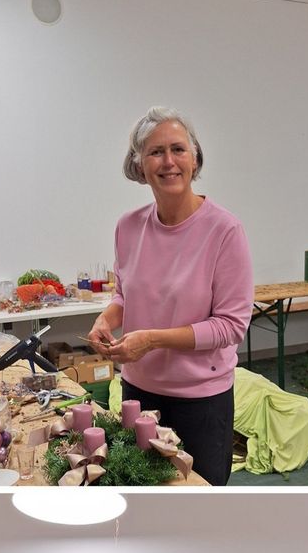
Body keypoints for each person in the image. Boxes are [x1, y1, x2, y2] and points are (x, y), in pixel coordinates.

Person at [90, 105, 253, 485]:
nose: (168, 161)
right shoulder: (128, 227)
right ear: (139, 165)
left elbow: (230, 327)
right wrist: (107, 318)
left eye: (178, 149)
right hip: (138, 392)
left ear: (195, 159)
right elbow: (125, 295)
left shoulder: (225, 231)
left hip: (201, 400)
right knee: (143, 495)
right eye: (155, 152)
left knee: (198, 502)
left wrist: (152, 340)